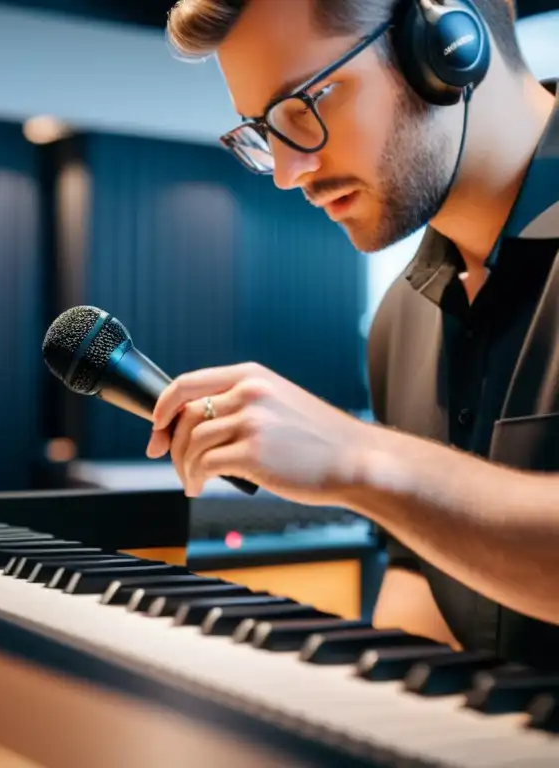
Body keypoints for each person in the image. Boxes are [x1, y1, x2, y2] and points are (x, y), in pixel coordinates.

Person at [149, 0, 559, 670]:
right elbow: (423, 591)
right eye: (263, 130)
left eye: (303, 107)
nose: (288, 173)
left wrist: (360, 460)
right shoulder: (401, 320)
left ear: (446, 43)